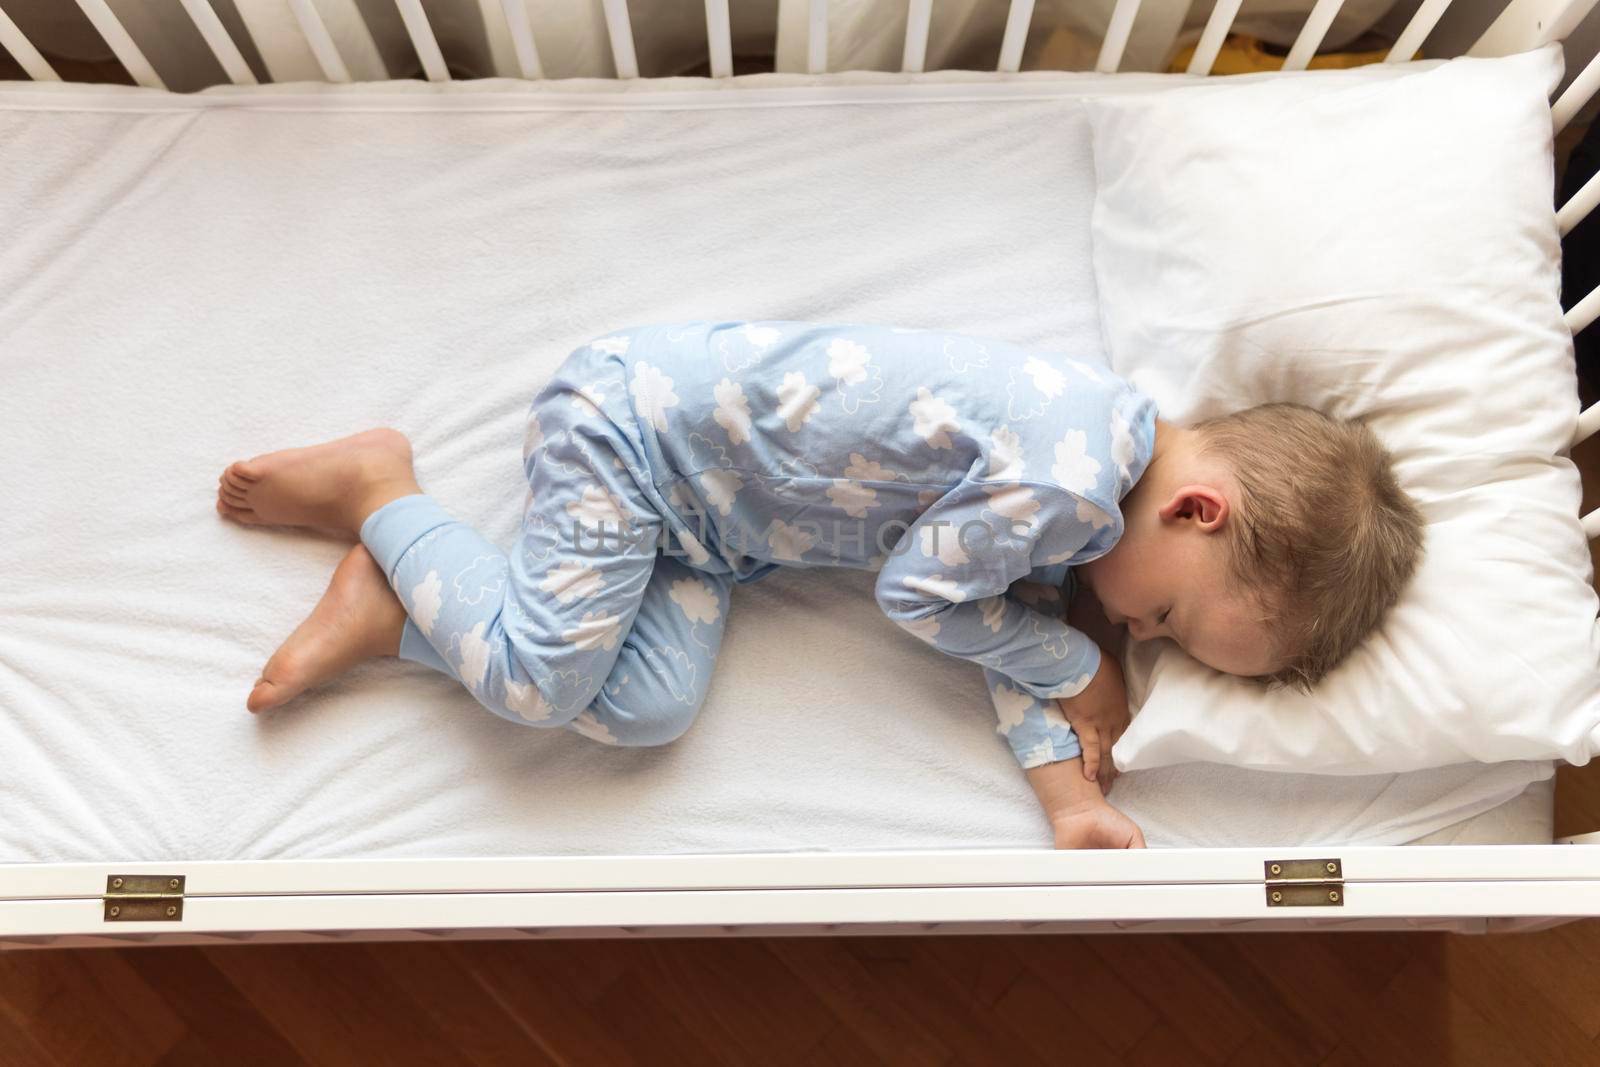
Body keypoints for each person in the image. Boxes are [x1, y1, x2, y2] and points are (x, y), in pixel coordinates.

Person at [214, 320, 1424, 849]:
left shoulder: (1087, 510)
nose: (1131, 626)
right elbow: (929, 602)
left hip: (707, 534)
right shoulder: (1067, 484)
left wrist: (1068, 798)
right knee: (539, 686)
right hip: (635, 432)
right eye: (1163, 617)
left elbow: (996, 626)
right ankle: (381, 489)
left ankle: (401, 608)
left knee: (642, 711)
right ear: (1196, 510)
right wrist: (1081, 664)